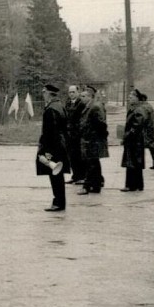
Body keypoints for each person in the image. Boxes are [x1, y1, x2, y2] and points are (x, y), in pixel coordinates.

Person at [36, 83, 70, 211]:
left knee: (55, 174)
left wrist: (46, 151)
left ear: (49, 94)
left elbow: (50, 132)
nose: (43, 94)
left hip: (53, 146)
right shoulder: (59, 106)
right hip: (60, 144)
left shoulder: (51, 109)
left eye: (44, 92)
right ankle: (60, 202)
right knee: (58, 174)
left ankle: (58, 203)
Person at [78, 85, 109, 195]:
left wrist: (97, 137)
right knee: (94, 163)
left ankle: (87, 186)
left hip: (92, 140)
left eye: (84, 96)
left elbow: (101, 124)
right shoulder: (89, 106)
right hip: (90, 139)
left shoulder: (94, 107)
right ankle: (96, 185)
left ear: (90, 96)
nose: (81, 98)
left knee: (90, 163)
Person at [121, 89, 148, 192]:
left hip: (135, 140)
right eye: (129, 97)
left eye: (131, 97)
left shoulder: (138, 110)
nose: (129, 98)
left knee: (132, 162)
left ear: (137, 98)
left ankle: (131, 185)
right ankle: (136, 185)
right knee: (134, 162)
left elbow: (136, 126)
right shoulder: (135, 109)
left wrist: (127, 135)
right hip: (134, 140)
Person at [64, 84, 86, 184]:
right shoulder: (67, 103)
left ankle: (81, 176)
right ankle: (75, 176)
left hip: (77, 133)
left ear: (78, 92)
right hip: (69, 133)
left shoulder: (81, 103)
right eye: (70, 92)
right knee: (71, 155)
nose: (71, 94)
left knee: (79, 155)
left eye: (73, 92)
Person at [137, 91, 154, 169]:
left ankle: (139, 164)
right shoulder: (149, 106)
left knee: (140, 146)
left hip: (144, 130)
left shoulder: (143, 107)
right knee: (152, 147)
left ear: (142, 99)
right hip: (150, 129)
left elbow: (142, 119)